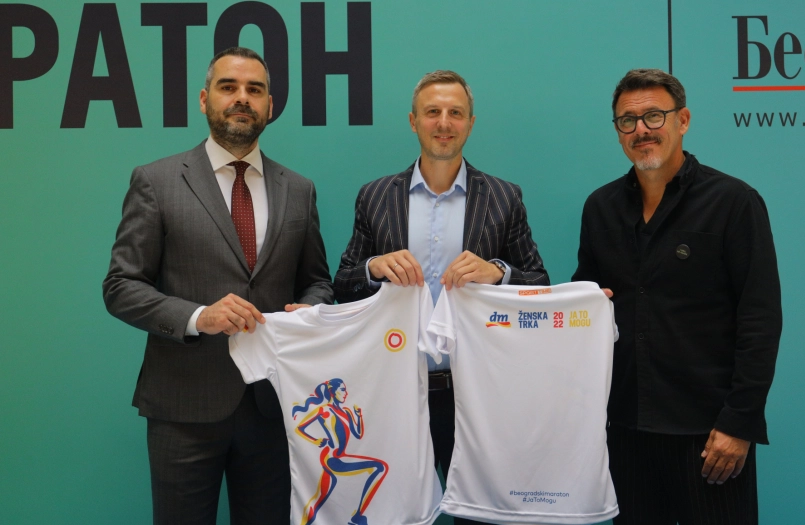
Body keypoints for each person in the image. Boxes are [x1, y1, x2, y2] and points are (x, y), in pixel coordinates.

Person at [102, 47, 333, 525]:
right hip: (183, 405)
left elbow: (316, 282)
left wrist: (309, 312)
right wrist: (197, 317)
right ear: (205, 99)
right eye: (229, 87)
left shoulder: (299, 189)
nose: (242, 98)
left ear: (270, 105)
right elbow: (121, 285)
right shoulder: (156, 181)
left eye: (255, 89)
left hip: (274, 406)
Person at [334, 70, 548, 524]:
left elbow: (539, 283)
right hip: (393, 390)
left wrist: (498, 272)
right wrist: (373, 268)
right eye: (433, 112)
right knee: (390, 514)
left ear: (471, 123)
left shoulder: (504, 197)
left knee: (482, 516)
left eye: (455, 113)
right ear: (413, 121)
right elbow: (342, 285)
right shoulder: (375, 196)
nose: (444, 123)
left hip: (475, 392)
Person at [572, 69, 782, 524]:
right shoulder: (600, 208)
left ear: (682, 120)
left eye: (654, 116)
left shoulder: (733, 202)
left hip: (709, 435)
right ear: (617, 131)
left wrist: (738, 422)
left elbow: (760, 320)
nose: (641, 130)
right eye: (628, 121)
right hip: (624, 430)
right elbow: (584, 306)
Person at [292, 379, 388, 525]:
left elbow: (358, 434)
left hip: (340, 456)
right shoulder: (324, 410)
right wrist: (316, 440)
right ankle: (357, 517)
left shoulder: (347, 412)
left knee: (320, 497)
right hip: (332, 457)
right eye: (342, 390)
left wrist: (358, 416)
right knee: (379, 467)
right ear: (332, 391)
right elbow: (300, 428)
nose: (346, 393)